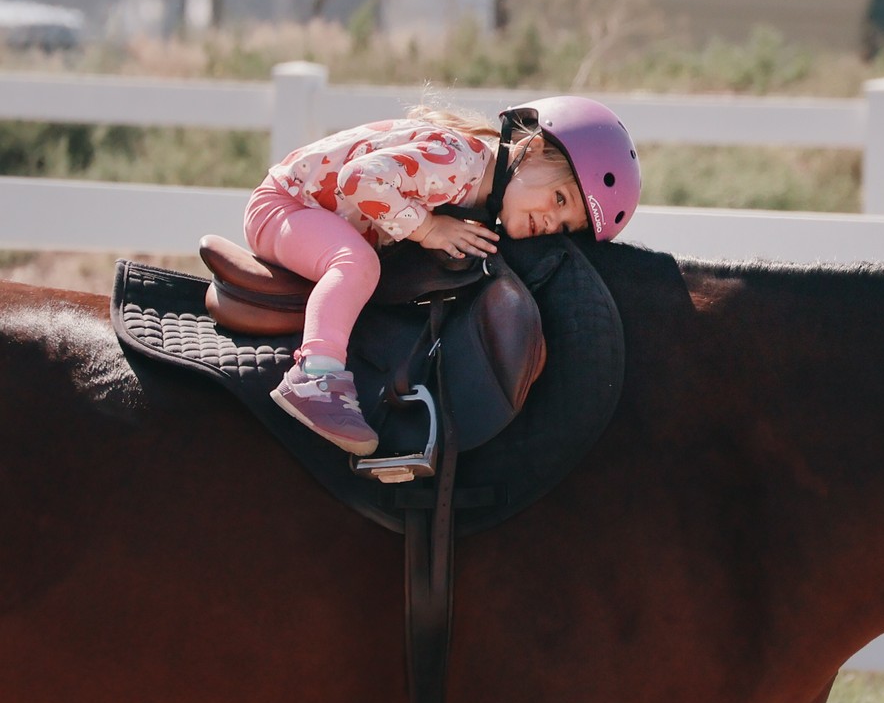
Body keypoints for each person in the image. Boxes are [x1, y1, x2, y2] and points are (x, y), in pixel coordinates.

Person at [245, 95, 641, 455]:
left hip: (318, 213)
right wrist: (428, 229)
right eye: (560, 198)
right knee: (356, 264)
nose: (551, 221)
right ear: (530, 149)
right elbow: (358, 179)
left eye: (565, 225)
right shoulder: (458, 164)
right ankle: (316, 377)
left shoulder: (477, 183)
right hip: (287, 204)